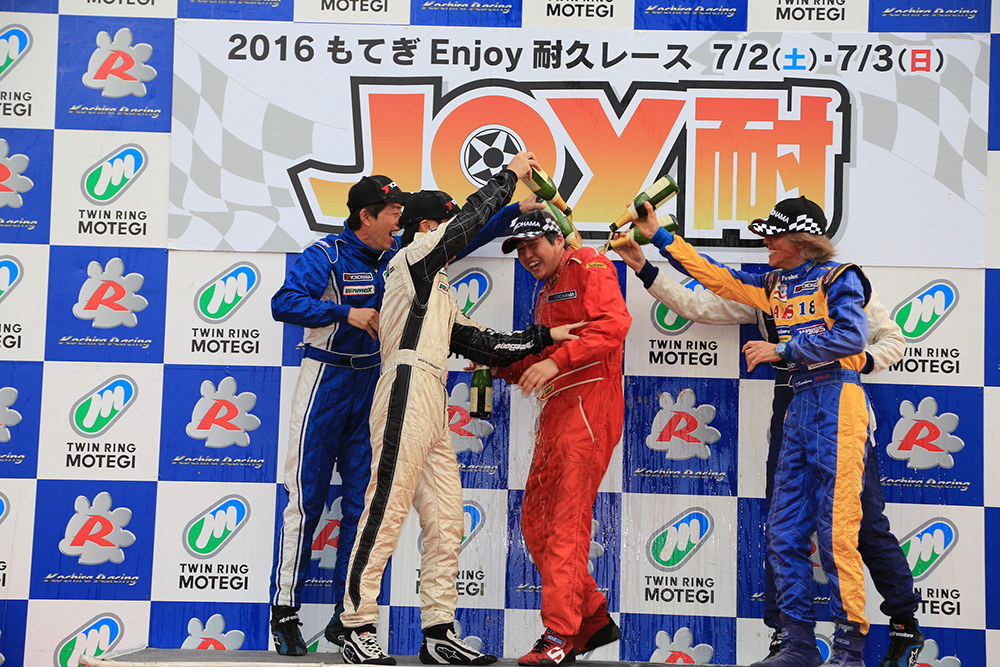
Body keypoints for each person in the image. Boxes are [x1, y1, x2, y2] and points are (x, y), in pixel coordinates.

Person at [612, 229, 924, 667]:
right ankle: (791, 639)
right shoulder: (770, 286)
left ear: (804, 242)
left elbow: (884, 339)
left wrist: (819, 355)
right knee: (783, 526)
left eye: (775, 237)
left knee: (860, 524)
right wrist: (650, 257)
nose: (766, 245)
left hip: (842, 404)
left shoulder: (839, 281)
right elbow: (703, 298)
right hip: (791, 402)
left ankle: (899, 626)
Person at [269, 175, 536, 656]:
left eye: (400, 214)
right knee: (310, 499)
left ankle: (365, 622)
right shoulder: (333, 254)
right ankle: (291, 611)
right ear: (366, 216)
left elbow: (467, 234)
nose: (397, 221)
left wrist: (517, 210)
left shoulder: (401, 258)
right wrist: (343, 313)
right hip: (329, 378)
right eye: (392, 212)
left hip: (379, 381)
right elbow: (282, 302)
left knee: (371, 507)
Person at [338, 152, 584, 666]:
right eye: (445, 223)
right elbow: (471, 220)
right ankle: (354, 624)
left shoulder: (439, 286)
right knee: (386, 508)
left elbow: (482, 344)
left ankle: (438, 631)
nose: (455, 231)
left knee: (447, 518)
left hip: (430, 393)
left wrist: (546, 336)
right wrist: (510, 176)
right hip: (405, 384)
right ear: (428, 228)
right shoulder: (413, 258)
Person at [496, 210, 631, 666]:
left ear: (557, 239)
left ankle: (558, 635)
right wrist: (496, 363)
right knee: (535, 521)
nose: (527, 255)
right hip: (556, 408)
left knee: (565, 523)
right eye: (519, 249)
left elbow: (614, 324)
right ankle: (591, 619)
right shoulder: (545, 289)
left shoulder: (590, 263)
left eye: (533, 244)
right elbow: (542, 354)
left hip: (591, 402)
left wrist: (557, 362)